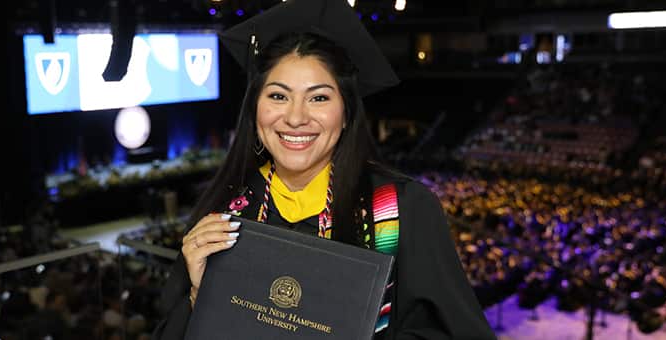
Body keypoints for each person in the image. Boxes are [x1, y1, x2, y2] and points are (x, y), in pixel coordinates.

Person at [152, 0, 495, 338]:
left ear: (345, 113)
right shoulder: (223, 212)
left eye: (318, 98)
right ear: (254, 110)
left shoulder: (400, 210)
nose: (296, 117)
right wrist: (201, 297)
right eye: (277, 96)